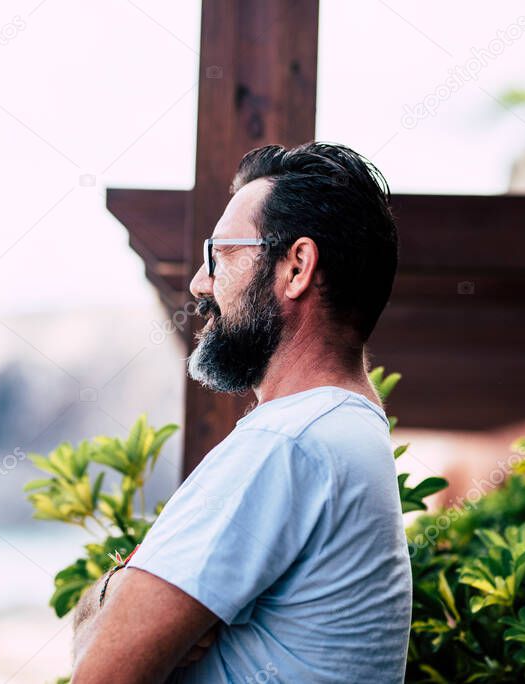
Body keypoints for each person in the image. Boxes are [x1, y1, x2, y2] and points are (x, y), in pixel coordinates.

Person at [70, 141, 411, 683]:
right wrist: (124, 596)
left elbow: (98, 675)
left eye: (220, 253)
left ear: (296, 267)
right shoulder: (347, 429)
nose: (199, 283)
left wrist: (115, 590)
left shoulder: (287, 443)